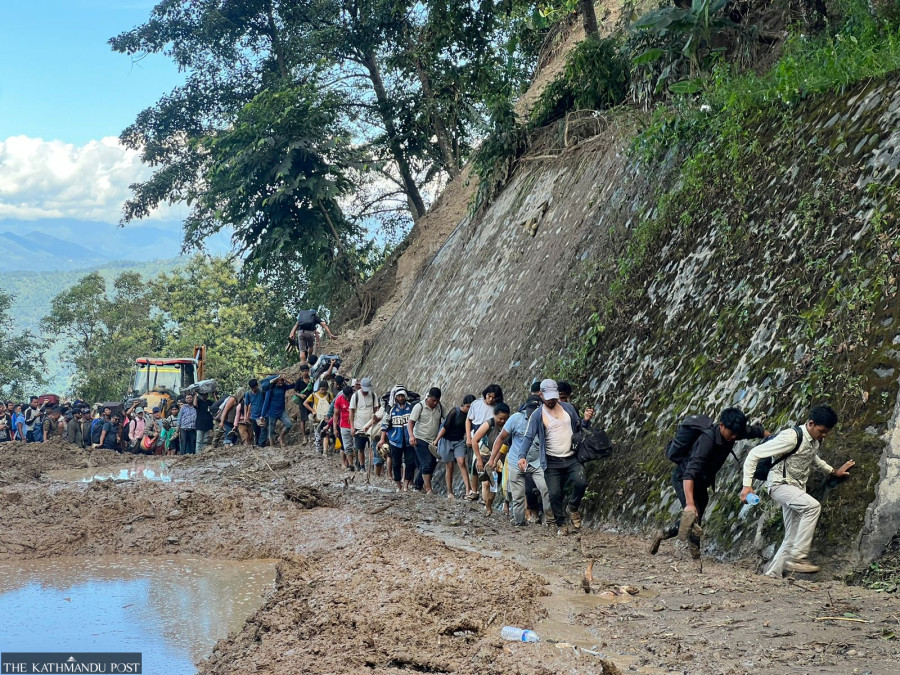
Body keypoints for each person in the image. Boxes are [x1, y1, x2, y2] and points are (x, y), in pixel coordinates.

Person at [741, 405, 854, 577]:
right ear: (811, 423)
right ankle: (798, 558)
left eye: (827, 432)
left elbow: (813, 458)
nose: (823, 435)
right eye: (821, 431)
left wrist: (833, 471)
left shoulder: (813, 440)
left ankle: (772, 575)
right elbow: (754, 454)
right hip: (779, 485)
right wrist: (747, 486)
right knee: (813, 507)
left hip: (795, 489)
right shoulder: (791, 437)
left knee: (793, 534)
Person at [650, 408, 768, 558]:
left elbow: (753, 431)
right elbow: (689, 473)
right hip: (684, 478)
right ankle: (692, 551)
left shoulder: (733, 432)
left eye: (736, 434)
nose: (734, 437)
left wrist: (771, 438)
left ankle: (666, 535)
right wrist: (690, 503)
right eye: (731, 433)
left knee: (696, 517)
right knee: (693, 513)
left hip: (701, 481)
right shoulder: (707, 440)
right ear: (721, 425)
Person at [519, 379, 585, 535]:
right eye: (547, 397)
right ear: (541, 395)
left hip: (571, 457)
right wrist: (522, 456)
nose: (551, 400)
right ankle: (561, 524)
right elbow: (528, 436)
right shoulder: (537, 415)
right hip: (552, 461)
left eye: (554, 397)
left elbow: (578, 427)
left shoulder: (568, 408)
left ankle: (573, 507)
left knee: (581, 482)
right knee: (554, 494)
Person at [489, 394, 551, 526]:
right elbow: (501, 438)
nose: (531, 415)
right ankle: (519, 522)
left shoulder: (546, 420)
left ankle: (550, 520)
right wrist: (492, 459)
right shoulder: (515, 419)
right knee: (517, 496)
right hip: (515, 461)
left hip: (536, 462)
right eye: (529, 411)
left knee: (546, 489)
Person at [471, 403, 511, 515]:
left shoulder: (509, 425)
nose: (503, 421)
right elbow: (474, 440)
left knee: (495, 484)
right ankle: (487, 507)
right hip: (485, 456)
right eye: (500, 418)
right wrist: (478, 459)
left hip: (501, 458)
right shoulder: (489, 424)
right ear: (494, 415)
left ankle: (490, 503)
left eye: (505, 419)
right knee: (486, 483)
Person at [435, 394, 476, 499]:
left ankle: (468, 490)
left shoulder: (472, 416)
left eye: (472, 407)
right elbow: (445, 427)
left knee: (462, 462)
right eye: (468, 406)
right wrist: (436, 440)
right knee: (449, 467)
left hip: (459, 441)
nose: (469, 409)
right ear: (463, 405)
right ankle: (450, 492)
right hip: (446, 440)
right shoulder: (455, 412)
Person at [408, 388, 445, 495]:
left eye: (437, 401)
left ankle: (417, 486)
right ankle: (428, 489)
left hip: (433, 442)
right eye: (433, 400)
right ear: (428, 397)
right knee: (427, 463)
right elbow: (410, 423)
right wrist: (411, 436)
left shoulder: (440, 407)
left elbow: (447, 419)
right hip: (420, 438)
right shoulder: (419, 406)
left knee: (431, 464)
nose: (435, 403)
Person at [380, 387, 414, 492]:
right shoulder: (391, 409)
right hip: (395, 440)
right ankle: (398, 484)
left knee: (410, 463)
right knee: (396, 463)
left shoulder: (411, 407)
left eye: (402, 396)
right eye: (398, 396)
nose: (400, 398)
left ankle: (406, 485)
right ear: (395, 398)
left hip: (408, 441)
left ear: (405, 397)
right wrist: (382, 439)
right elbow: (384, 424)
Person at [261, 376, 300, 448]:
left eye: (282, 382)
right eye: (279, 382)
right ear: (276, 382)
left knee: (289, 424)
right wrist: (262, 415)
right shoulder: (270, 389)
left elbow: (294, 385)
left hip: (281, 411)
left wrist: (285, 379)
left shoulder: (283, 387)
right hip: (272, 413)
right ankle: (272, 446)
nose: (281, 383)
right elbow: (266, 403)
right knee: (271, 430)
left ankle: (280, 437)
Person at [349, 378, 377, 471]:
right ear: (360, 386)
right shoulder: (355, 396)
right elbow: (351, 411)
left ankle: (373, 465)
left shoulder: (373, 395)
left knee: (372, 447)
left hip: (371, 427)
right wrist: (352, 427)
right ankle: (362, 466)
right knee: (360, 448)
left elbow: (376, 410)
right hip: (359, 426)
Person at [465, 385, 503, 451]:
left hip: (488, 437)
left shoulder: (498, 408)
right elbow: (468, 420)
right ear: (486, 394)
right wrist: (468, 437)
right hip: (474, 434)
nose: (491, 399)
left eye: (494, 398)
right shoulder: (476, 403)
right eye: (489, 396)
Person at [333, 385, 354, 470]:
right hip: (344, 426)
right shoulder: (339, 399)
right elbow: (336, 415)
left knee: (356, 446)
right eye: (347, 397)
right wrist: (335, 428)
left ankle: (356, 464)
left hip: (356, 425)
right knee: (346, 446)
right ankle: (350, 465)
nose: (348, 399)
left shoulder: (355, 399)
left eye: (349, 397)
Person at [245, 379, 267, 446]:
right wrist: (246, 416)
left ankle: (261, 445)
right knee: (257, 432)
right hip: (254, 416)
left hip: (262, 415)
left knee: (263, 430)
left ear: (257, 386)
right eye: (252, 388)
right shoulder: (248, 394)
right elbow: (246, 404)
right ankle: (257, 444)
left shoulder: (262, 391)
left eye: (254, 387)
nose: (254, 389)